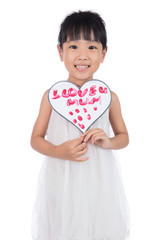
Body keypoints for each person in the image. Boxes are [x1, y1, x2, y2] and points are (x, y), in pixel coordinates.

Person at [31, 10, 130, 240]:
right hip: (61, 176)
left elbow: (124, 136)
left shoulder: (109, 97)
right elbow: (35, 138)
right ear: (60, 51)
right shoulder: (51, 96)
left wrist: (108, 141)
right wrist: (57, 151)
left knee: (98, 224)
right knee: (62, 225)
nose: (83, 55)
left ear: (104, 53)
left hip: (99, 177)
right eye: (74, 46)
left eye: (92, 47)